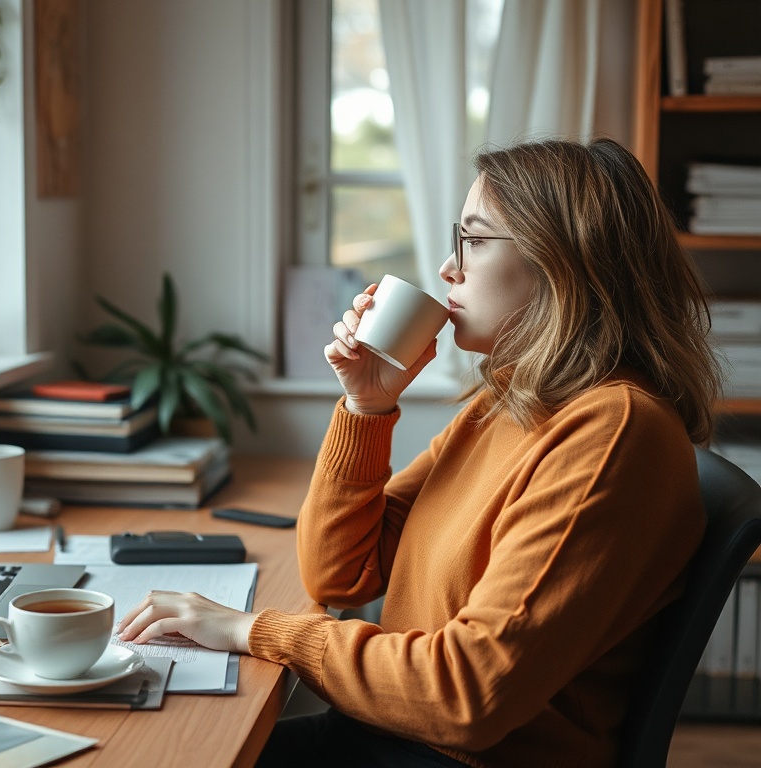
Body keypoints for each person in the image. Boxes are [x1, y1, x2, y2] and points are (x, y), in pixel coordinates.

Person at [116, 137, 723, 767]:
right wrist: (367, 406)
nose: (448, 269)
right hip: (387, 737)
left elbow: (468, 696)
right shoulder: (506, 404)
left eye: (476, 240)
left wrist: (251, 630)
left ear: (566, 261)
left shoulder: (612, 433)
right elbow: (339, 574)